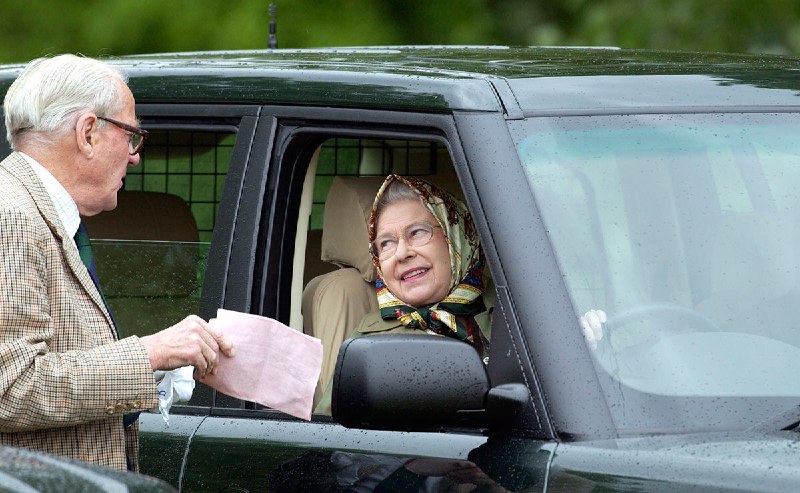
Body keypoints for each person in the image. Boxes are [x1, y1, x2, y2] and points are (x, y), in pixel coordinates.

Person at [0, 54, 233, 471]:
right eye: (131, 135)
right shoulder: (13, 217)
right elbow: (11, 388)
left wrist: (157, 369)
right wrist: (151, 353)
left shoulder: (35, 211)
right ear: (88, 132)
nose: (135, 155)